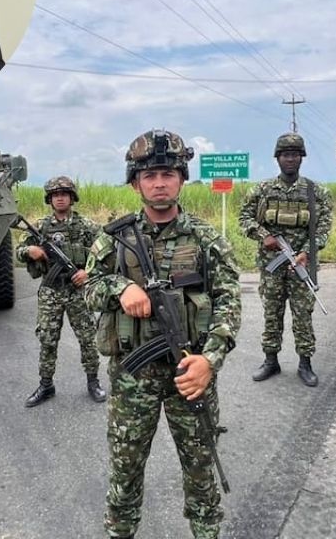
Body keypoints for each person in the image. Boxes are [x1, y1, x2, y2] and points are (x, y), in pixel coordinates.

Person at [84, 130, 242, 539]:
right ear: (135, 183)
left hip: (190, 374)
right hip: (132, 377)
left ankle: (206, 532)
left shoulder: (206, 239)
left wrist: (209, 361)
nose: (159, 183)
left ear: (182, 180)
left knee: (201, 470)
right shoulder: (114, 238)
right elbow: (88, 287)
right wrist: (121, 288)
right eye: (149, 175)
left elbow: (228, 302)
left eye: (168, 174)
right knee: (125, 470)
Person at [238, 132, 333, 387]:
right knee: (272, 314)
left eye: (294, 155)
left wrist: (306, 252)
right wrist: (264, 236)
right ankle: (271, 360)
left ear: (301, 158)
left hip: (301, 264)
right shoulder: (263, 190)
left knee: (303, 316)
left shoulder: (316, 191)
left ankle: (305, 364)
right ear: (277, 158)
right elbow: (244, 218)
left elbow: (323, 227)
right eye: (285, 155)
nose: (290, 159)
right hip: (272, 266)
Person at [16, 176, 106, 407]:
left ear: (72, 197)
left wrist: (88, 272)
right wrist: (30, 251)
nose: (60, 198)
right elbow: (18, 251)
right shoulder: (41, 226)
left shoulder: (86, 226)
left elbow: (106, 252)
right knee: (47, 339)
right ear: (49, 199)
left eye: (64, 194)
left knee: (87, 338)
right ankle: (46, 385)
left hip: (78, 290)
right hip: (51, 290)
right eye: (55, 195)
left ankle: (93, 382)